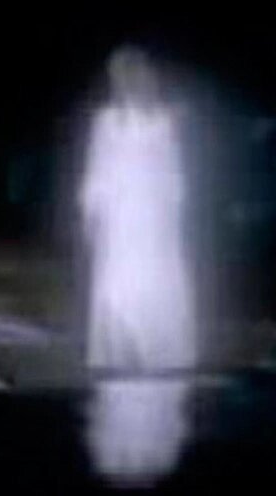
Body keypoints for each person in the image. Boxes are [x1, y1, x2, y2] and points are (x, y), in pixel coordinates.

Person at [79, 46, 196, 372]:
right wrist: (90, 210)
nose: (121, 80)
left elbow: (173, 171)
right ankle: (123, 350)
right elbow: (97, 168)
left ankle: (154, 351)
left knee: (151, 281)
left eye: (125, 72)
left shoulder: (163, 120)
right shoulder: (106, 120)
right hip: (120, 215)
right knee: (117, 285)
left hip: (151, 215)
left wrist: (174, 210)